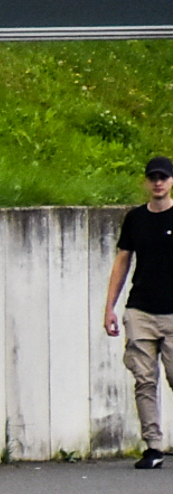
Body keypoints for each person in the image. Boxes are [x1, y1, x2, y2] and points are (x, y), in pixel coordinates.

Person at [103, 156, 173, 469]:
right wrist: (110, 308)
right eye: (153, 178)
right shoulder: (135, 219)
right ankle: (153, 446)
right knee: (144, 380)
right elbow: (122, 261)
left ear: (171, 182)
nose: (158, 182)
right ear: (146, 182)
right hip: (140, 310)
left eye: (163, 177)